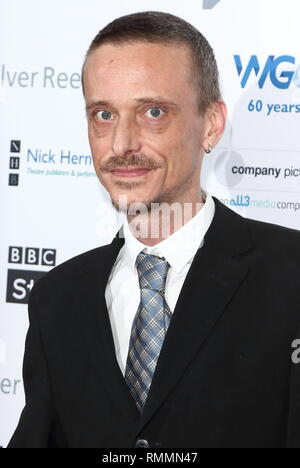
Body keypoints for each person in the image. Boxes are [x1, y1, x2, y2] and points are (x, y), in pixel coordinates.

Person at [8, 10, 300, 448]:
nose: (122, 143)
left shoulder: (290, 275)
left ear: (211, 124)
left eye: (153, 111)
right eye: (104, 115)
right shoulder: (57, 299)